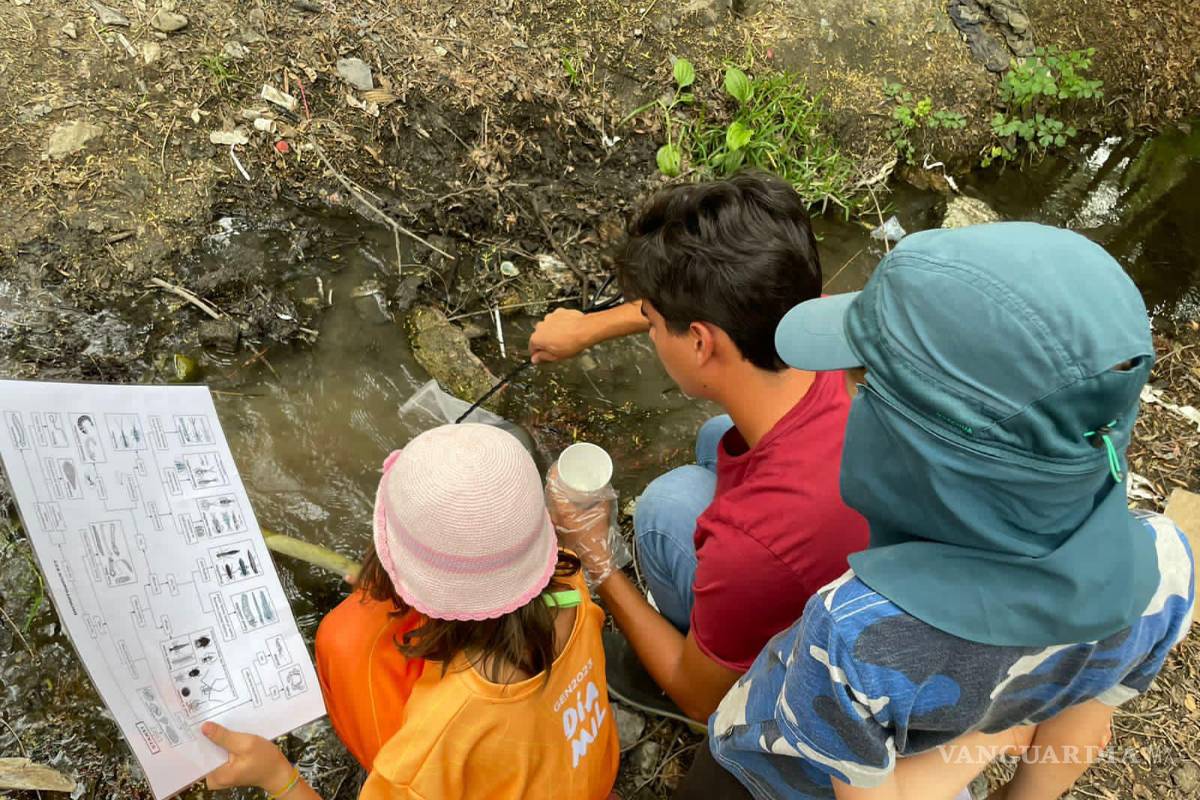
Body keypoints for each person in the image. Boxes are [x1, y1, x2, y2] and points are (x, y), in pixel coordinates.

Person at [674, 222, 1196, 799]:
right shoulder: (1166, 567)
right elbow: (1085, 729)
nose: (844, 395)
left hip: (764, 778)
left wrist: (997, 742)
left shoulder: (852, 630)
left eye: (861, 382)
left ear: (918, 447)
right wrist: (1012, 755)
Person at [538, 172, 869, 722]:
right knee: (717, 438)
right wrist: (586, 329)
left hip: (820, 664)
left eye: (651, 324)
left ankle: (696, 654)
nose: (648, 332)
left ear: (699, 341)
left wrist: (597, 559)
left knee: (665, 509)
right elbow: (699, 307)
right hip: (854, 526)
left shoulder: (754, 538)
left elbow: (703, 697)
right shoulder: (821, 320)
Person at [200, 424, 620, 800]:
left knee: (345, 638)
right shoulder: (571, 583)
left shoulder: (437, 739)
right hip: (589, 780)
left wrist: (278, 776)